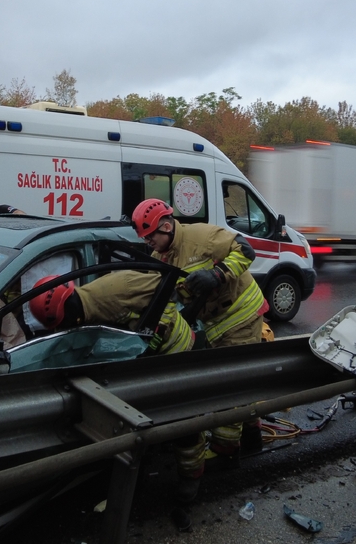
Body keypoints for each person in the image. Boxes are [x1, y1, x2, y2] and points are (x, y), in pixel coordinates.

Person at [131, 198, 268, 501]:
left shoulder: (202, 237)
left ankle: (226, 451)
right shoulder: (163, 256)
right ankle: (254, 436)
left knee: (231, 387)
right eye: (146, 239)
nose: (150, 243)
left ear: (166, 225)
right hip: (216, 323)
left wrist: (218, 274)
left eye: (152, 235)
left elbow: (246, 250)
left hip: (240, 314)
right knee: (240, 381)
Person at [28, 270, 195, 356]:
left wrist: (157, 332)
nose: (62, 328)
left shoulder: (120, 288)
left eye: (62, 323)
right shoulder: (84, 315)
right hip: (152, 362)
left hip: (179, 349)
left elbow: (169, 291)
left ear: (69, 306)